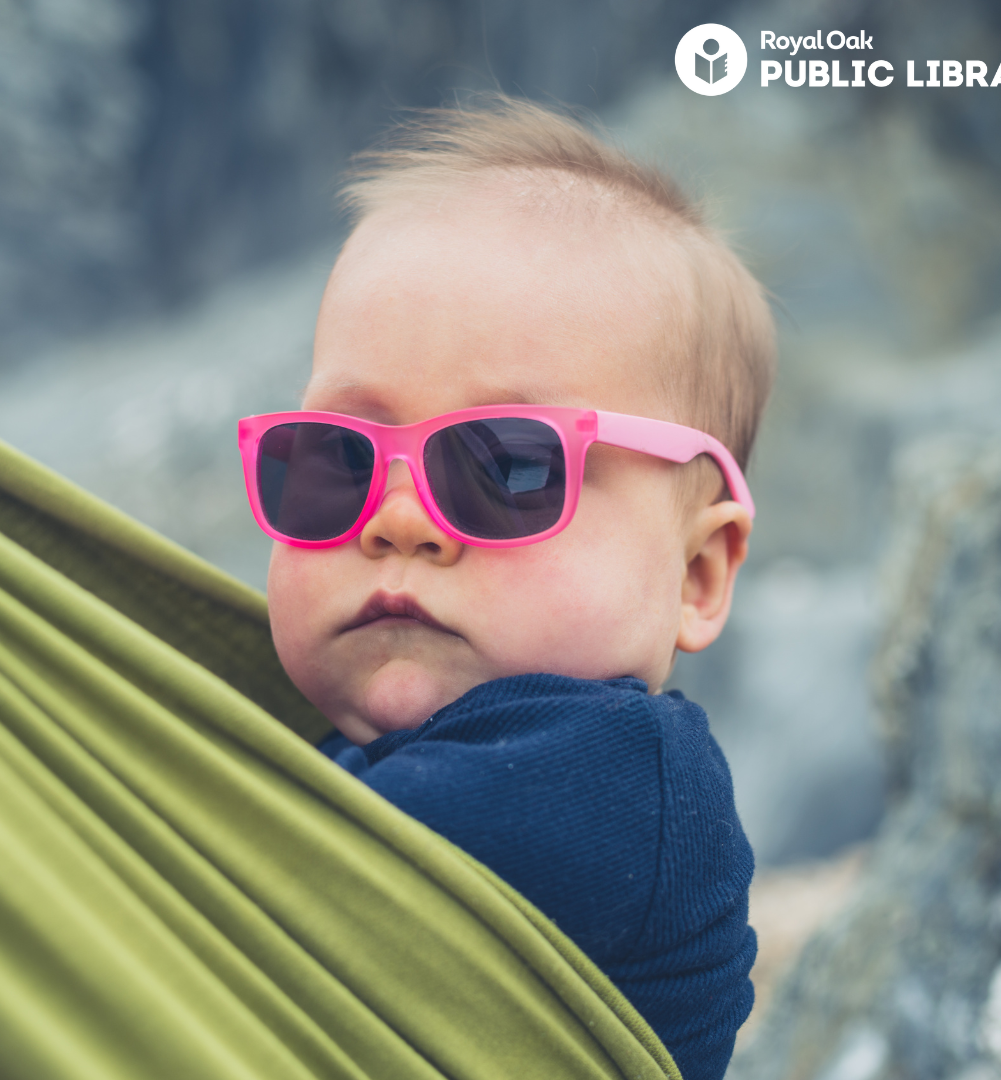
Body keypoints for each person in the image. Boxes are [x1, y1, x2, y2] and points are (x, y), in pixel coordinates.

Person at [238, 97, 775, 1079]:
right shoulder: (351, 752)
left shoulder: (617, 777)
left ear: (695, 575)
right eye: (336, 463)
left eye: (509, 468)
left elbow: (261, 891)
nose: (397, 520)